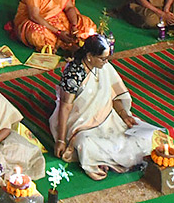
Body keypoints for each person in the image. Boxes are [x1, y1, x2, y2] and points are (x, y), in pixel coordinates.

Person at [51, 35, 151, 180]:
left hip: (109, 118)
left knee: (145, 136)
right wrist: (60, 140)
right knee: (85, 145)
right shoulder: (73, 74)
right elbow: (65, 107)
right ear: (90, 56)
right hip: (81, 124)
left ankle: (111, 157)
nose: (106, 62)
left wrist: (124, 116)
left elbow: (114, 96)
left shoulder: (104, 67)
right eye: (103, 59)